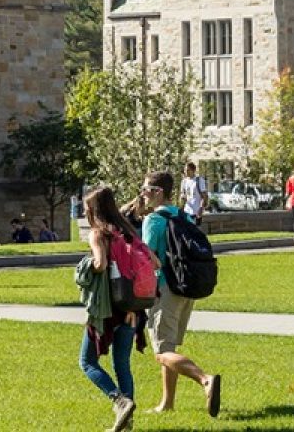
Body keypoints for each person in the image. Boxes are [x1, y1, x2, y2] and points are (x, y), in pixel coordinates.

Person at [138, 172, 224, 417]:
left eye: (146, 189)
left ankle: (205, 379)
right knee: (169, 346)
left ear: (158, 192)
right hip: (186, 288)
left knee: (161, 353)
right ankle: (167, 403)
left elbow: (148, 258)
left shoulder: (153, 220)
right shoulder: (182, 214)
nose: (142, 194)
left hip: (164, 288)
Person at [76, 187, 148, 432]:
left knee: (87, 362)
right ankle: (127, 424)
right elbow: (153, 261)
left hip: (106, 308)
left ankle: (119, 400)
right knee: (122, 364)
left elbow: (100, 264)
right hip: (130, 307)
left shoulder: (98, 234)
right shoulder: (127, 231)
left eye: (87, 208)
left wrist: (86, 266)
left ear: (94, 210)